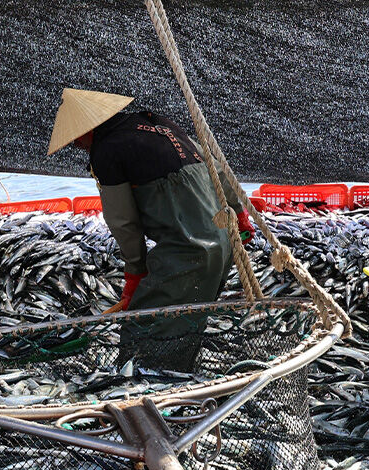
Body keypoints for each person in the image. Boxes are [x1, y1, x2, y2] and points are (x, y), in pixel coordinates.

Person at [46, 88, 253, 369]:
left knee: (141, 327)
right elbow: (217, 168)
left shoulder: (106, 150)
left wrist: (134, 273)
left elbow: (123, 222)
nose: (77, 145)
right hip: (224, 246)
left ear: (87, 129)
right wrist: (239, 214)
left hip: (189, 252)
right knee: (184, 321)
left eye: (75, 139)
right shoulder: (159, 123)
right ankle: (179, 378)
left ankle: (150, 393)